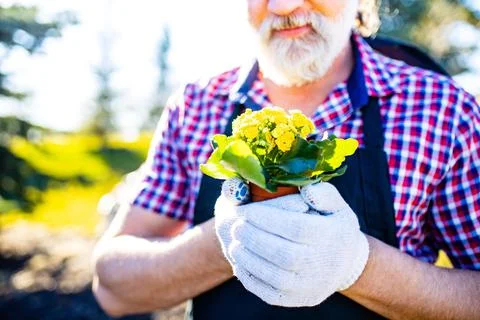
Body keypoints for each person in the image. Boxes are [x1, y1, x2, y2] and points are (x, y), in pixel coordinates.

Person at [92, 0, 480, 319]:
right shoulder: (195, 106)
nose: (284, 6)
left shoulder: (443, 109)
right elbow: (113, 289)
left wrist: (357, 264)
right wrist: (226, 240)